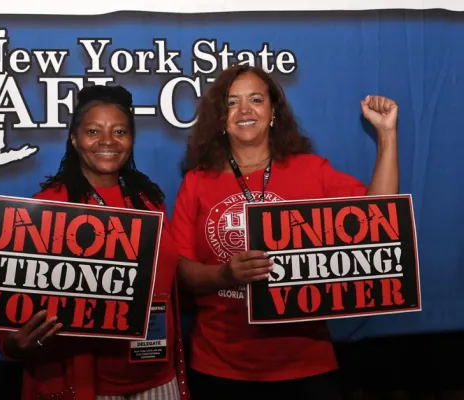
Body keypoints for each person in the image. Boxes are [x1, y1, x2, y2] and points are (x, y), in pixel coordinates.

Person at [169, 64, 399, 399]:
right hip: (220, 367)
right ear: (221, 118)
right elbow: (182, 271)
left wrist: (387, 135)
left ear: (273, 111)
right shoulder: (197, 182)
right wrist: (224, 275)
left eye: (256, 99)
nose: (244, 110)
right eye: (232, 103)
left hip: (306, 365)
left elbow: (380, 219)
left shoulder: (311, 170)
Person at [0, 85, 190, 400]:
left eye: (120, 131)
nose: (108, 141)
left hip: (157, 378)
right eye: (93, 131)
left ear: (131, 139)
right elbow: (14, 299)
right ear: (74, 138)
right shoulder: (48, 205)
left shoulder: (149, 200)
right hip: (87, 385)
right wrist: (12, 342)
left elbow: (170, 279)